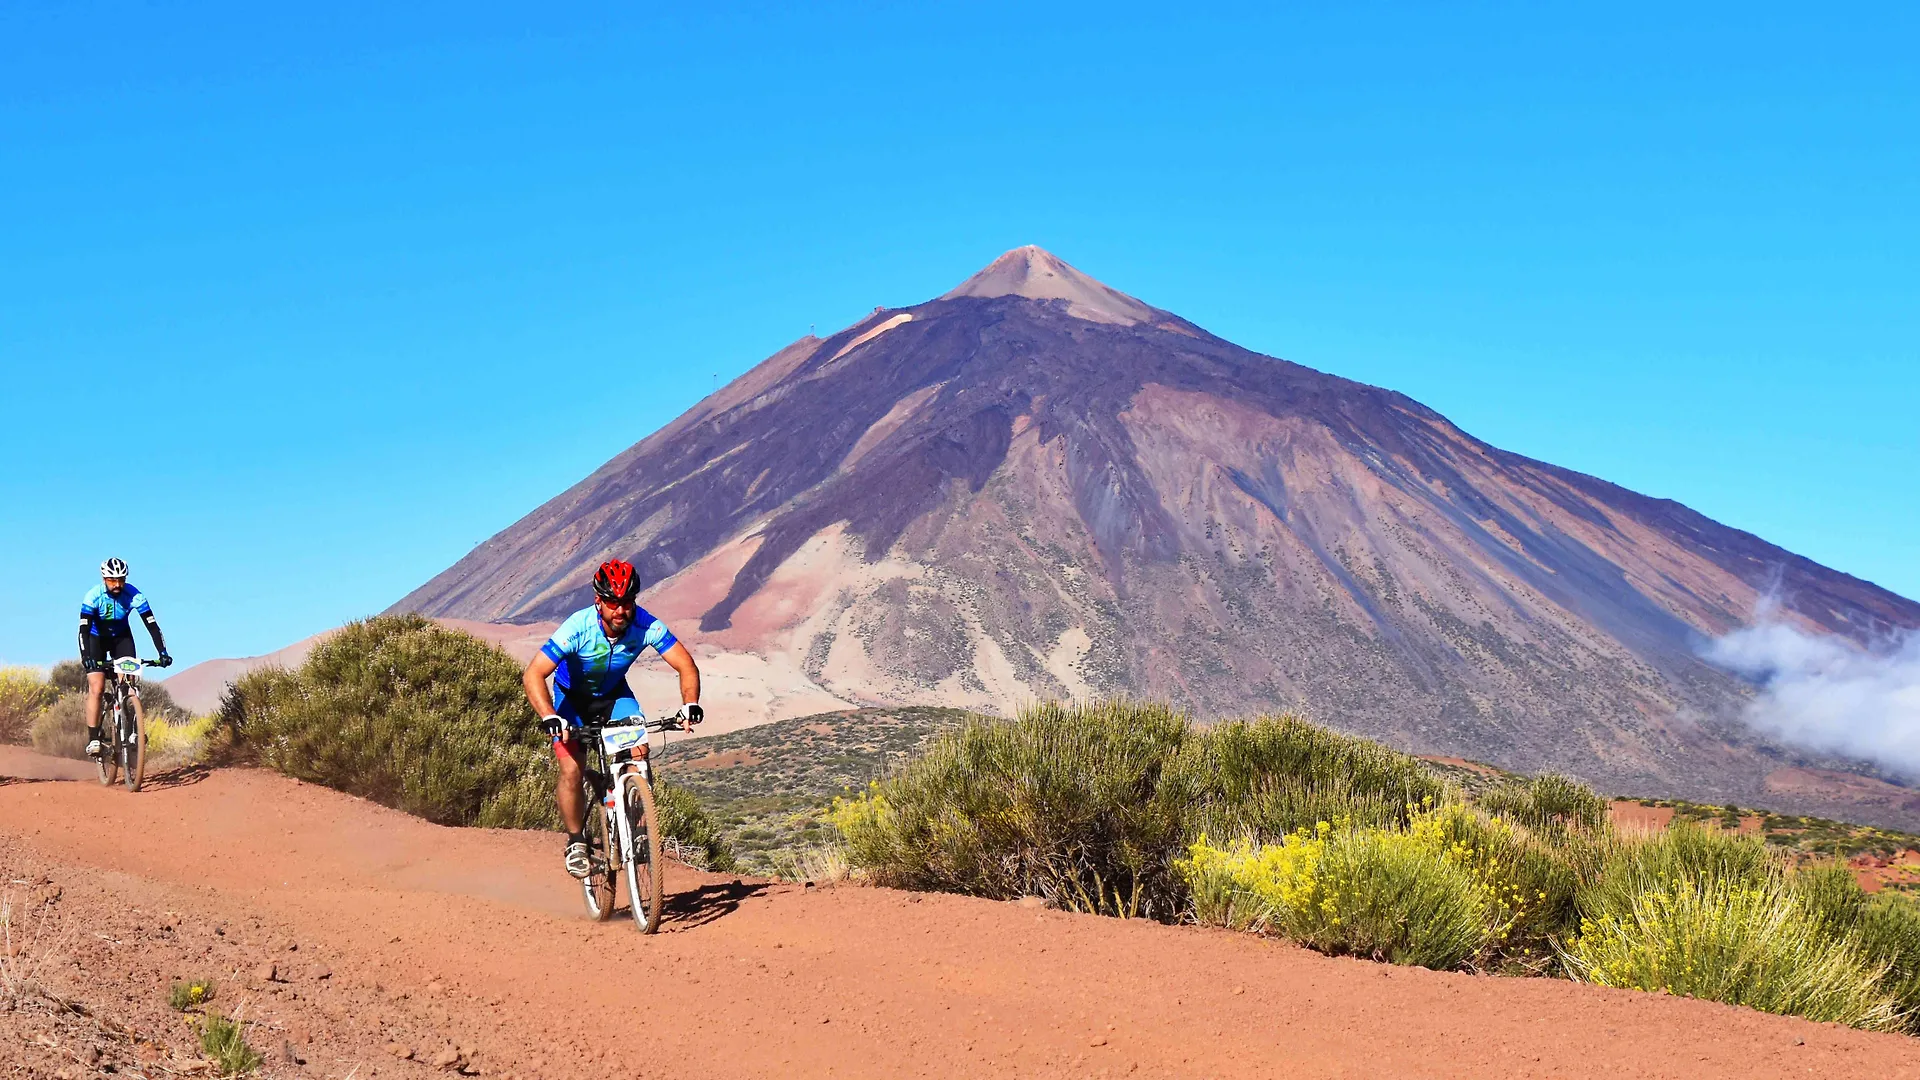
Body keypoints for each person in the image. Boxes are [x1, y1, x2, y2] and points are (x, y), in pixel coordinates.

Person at [521, 558, 703, 878]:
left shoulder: (646, 625)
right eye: (613, 603)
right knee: (571, 770)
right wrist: (550, 716)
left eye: (627, 603)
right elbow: (534, 673)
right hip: (571, 700)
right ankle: (577, 842)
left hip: (614, 696)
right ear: (598, 602)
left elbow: (686, 665)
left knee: (639, 753)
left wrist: (690, 704)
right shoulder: (577, 627)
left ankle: (635, 822)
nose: (621, 610)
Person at [79, 557, 172, 759]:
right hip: (96, 639)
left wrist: (162, 652)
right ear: (104, 578)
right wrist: (86, 656)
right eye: (112, 580)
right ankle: (94, 738)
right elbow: (83, 631)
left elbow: (152, 626)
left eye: (121, 579)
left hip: (122, 638)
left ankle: (130, 730)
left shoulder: (134, 594)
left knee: (128, 684)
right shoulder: (92, 596)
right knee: (97, 687)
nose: (117, 584)